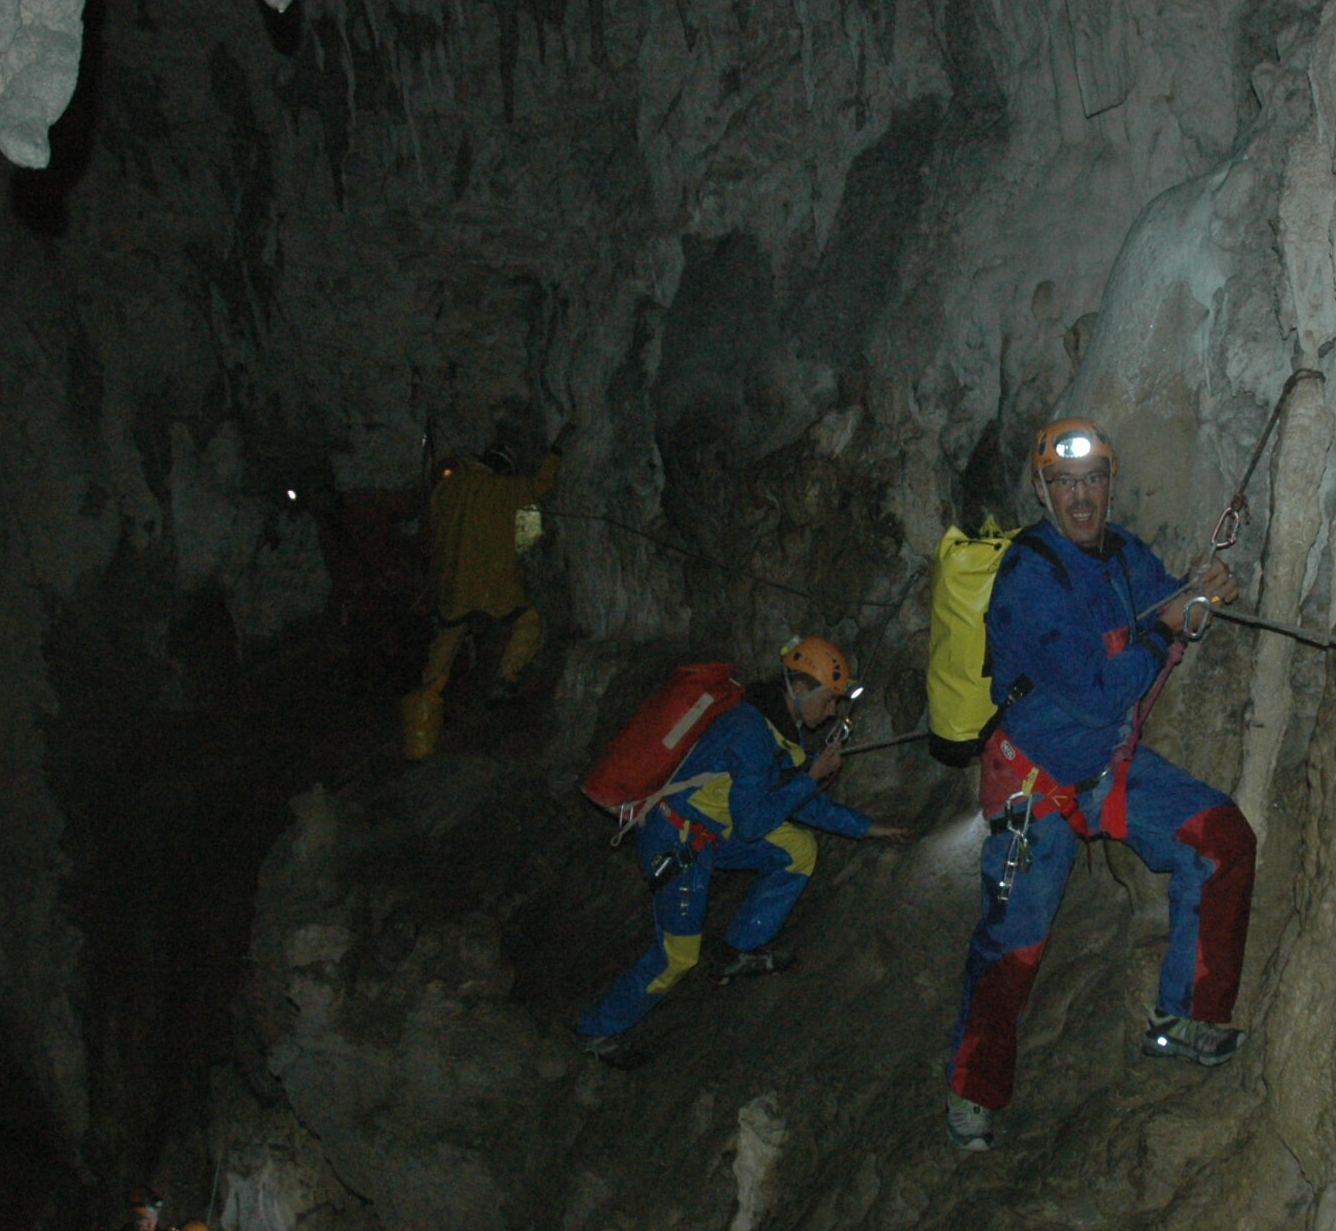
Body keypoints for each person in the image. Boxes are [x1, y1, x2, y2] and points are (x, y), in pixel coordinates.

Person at [944, 417, 1257, 1151]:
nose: (1081, 497)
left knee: (1222, 840)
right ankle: (971, 1093)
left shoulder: (1122, 555)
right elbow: (1095, 693)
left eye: (1092, 481)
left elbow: (1169, 604)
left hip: (1111, 767)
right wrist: (1167, 627)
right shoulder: (1028, 576)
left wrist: (1204, 593)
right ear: (1044, 492)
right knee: (1013, 946)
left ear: (1107, 484)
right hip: (1039, 787)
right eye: (1064, 483)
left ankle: (1184, 1017)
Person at [577, 635, 911, 1062]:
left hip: (712, 831)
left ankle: (735, 952)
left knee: (797, 849)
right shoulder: (751, 737)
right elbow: (755, 822)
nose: (830, 714)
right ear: (802, 690)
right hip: (679, 842)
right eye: (828, 702)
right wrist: (811, 777)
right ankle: (596, 1030)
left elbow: (791, 800)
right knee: (677, 955)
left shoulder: (772, 727)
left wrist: (867, 828)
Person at [418, 435, 561, 705]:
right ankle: (505, 679)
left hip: (453, 583)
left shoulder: (447, 488)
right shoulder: (503, 489)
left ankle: (428, 694)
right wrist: (555, 454)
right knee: (528, 623)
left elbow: (431, 526)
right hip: (492, 585)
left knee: (448, 637)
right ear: (505, 468)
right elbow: (540, 486)